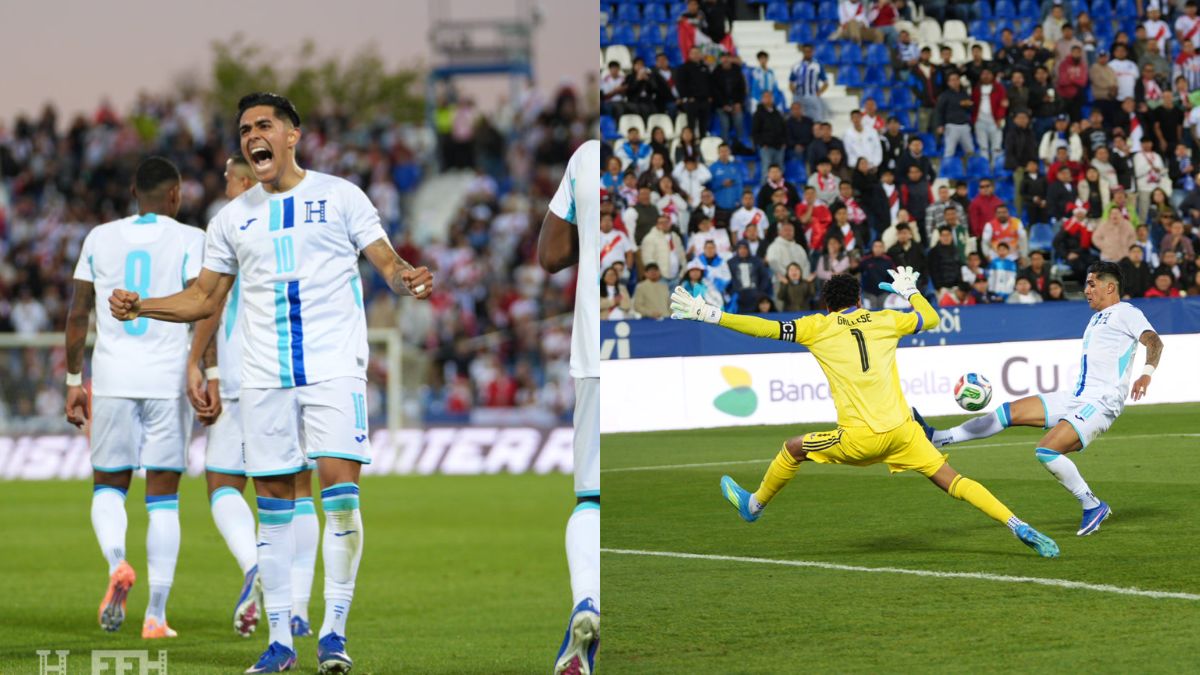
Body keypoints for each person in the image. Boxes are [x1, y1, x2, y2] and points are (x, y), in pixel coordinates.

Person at [107, 94, 435, 672]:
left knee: (340, 499)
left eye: (264, 125)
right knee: (275, 509)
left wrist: (406, 277)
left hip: (333, 367)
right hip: (263, 377)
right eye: (244, 129)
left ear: (292, 135)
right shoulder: (231, 219)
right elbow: (204, 297)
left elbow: (385, 260)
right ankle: (280, 641)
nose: (252, 135)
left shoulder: (340, 196)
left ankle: (333, 632)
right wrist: (143, 306)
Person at [670, 271, 1059, 557]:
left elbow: (763, 328)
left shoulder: (816, 327)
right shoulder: (885, 320)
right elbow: (931, 319)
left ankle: (753, 506)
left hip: (860, 438)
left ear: (827, 304)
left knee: (792, 448)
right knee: (953, 480)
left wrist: (711, 314)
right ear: (859, 298)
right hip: (904, 432)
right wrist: (911, 292)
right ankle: (1017, 524)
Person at [66, 157, 206, 639]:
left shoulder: (99, 237)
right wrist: (203, 369)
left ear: (133, 194)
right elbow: (202, 306)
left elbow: (78, 313)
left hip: (112, 378)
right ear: (175, 195)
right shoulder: (190, 238)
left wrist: (73, 381)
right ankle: (156, 617)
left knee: (108, 486)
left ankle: (117, 563)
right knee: (163, 499)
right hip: (167, 380)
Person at [921, 262, 1164, 537]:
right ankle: (938, 438)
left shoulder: (1127, 313)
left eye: (1091, 284)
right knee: (1007, 412)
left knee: (1046, 451)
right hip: (1077, 395)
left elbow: (1154, 341)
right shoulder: (1097, 318)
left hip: (1100, 403)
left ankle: (1092, 504)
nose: (1086, 291)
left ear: (1110, 287)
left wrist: (1146, 374)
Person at [183, 156, 317, 639]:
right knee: (299, 487)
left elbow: (210, 302)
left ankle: (254, 565)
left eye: (227, 179)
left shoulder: (230, 224)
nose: (224, 186)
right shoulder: (301, 219)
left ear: (243, 181)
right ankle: (298, 608)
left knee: (223, 482)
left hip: (241, 371)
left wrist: (201, 365)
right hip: (297, 367)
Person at [935, 73, 975, 161]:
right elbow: (939, 111)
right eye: (952, 80)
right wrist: (940, 125)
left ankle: (971, 168)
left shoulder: (964, 94)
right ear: (948, 83)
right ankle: (947, 168)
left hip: (964, 125)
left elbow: (971, 108)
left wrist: (967, 105)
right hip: (951, 126)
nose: (955, 82)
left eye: (956, 79)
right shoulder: (945, 95)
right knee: (949, 151)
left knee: (970, 151)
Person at [752, 90, 788, 173]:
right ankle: (765, 182)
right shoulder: (758, 114)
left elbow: (784, 129)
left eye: (770, 97)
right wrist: (762, 144)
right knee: (766, 169)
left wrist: (784, 142)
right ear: (762, 99)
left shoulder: (778, 113)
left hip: (779, 146)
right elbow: (755, 132)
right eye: (766, 97)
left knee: (780, 169)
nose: (768, 99)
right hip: (766, 147)